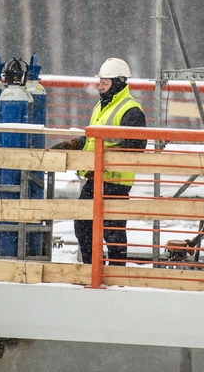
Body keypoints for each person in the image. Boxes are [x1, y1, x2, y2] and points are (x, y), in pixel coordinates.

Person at [51, 57, 147, 265]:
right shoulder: (101, 106)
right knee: (83, 227)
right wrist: (77, 144)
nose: (100, 86)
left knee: (113, 233)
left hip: (115, 183)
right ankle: (92, 268)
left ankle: (116, 272)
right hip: (95, 179)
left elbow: (135, 147)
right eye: (100, 82)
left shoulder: (131, 110)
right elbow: (96, 139)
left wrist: (103, 162)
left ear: (119, 82)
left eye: (105, 82)